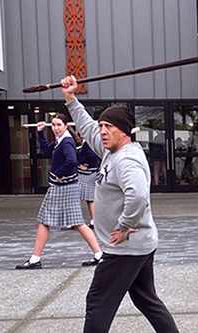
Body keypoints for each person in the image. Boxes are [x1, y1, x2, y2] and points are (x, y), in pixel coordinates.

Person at [61, 75, 179, 333]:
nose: (102, 131)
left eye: (109, 127)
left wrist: (125, 225)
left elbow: (137, 196)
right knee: (146, 299)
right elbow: (89, 128)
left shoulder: (126, 160)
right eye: (102, 125)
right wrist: (71, 98)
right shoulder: (110, 150)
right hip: (138, 245)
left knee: (98, 302)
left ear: (124, 131)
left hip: (124, 248)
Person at [16, 114, 102, 269]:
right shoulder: (61, 140)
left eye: (59, 125)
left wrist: (60, 174)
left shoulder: (67, 142)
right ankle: (99, 255)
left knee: (49, 221)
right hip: (64, 187)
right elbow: (46, 150)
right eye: (54, 125)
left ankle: (35, 259)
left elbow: (72, 161)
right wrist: (41, 132)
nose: (55, 128)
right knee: (74, 223)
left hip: (63, 187)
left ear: (65, 126)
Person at [77, 136, 100, 228]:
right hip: (91, 171)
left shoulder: (89, 142)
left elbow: (91, 155)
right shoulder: (93, 141)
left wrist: (84, 163)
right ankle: (93, 219)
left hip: (86, 172)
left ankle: (76, 220)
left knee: (83, 197)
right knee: (89, 198)